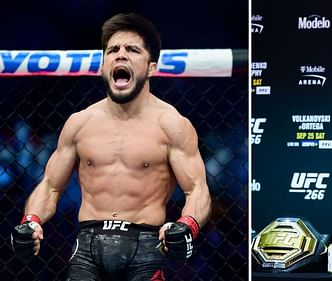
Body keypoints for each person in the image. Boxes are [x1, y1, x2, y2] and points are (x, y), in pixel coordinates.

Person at [11, 13, 211, 280]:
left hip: (146, 246)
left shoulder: (172, 124)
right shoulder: (80, 123)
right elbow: (50, 185)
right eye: (113, 50)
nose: (120, 55)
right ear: (103, 66)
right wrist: (31, 222)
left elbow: (197, 190)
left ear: (151, 67)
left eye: (132, 49)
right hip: (87, 247)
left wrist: (187, 226)